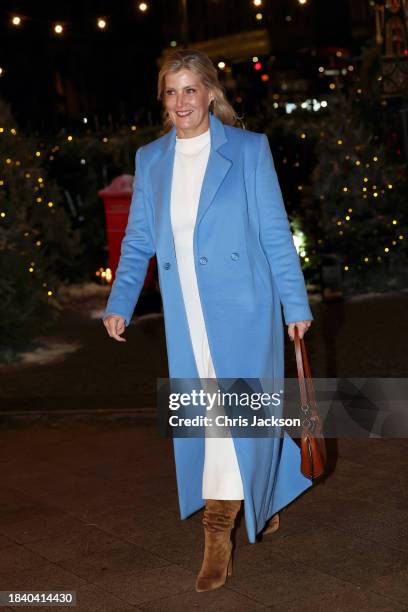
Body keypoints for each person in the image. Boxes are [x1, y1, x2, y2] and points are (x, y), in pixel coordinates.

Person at [103, 48, 313, 593]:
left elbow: (274, 234)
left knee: (227, 416)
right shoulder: (151, 159)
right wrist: (121, 300)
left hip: (245, 306)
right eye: (171, 92)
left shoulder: (247, 150)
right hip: (186, 311)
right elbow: (139, 240)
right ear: (162, 99)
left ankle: (217, 534)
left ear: (210, 93)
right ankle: (270, 488)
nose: (181, 102)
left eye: (190, 90)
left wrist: (296, 305)